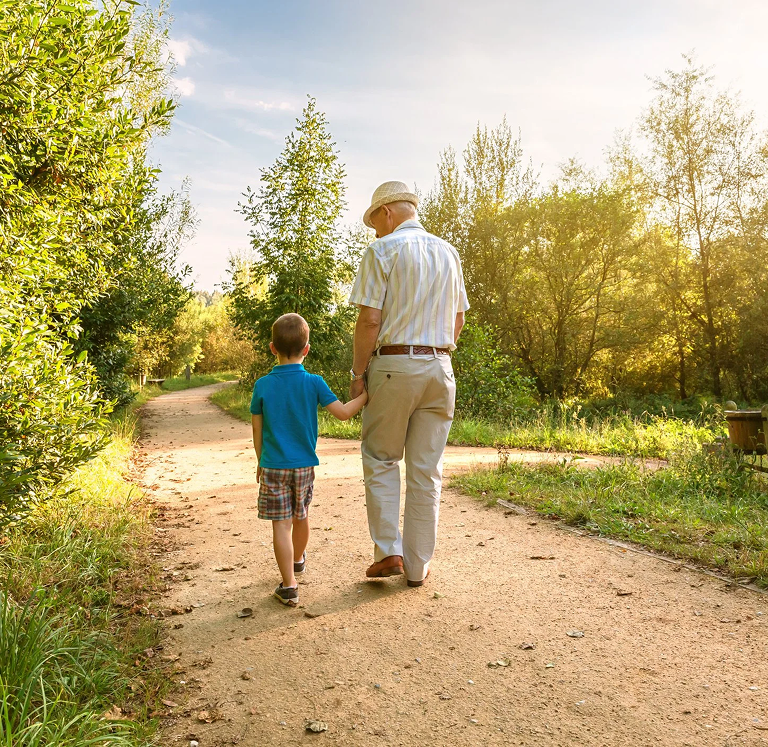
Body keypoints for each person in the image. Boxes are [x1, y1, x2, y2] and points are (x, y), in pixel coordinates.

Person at [348, 180, 469, 587]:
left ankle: (388, 553)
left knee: (382, 458)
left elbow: (369, 319)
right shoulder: (449, 253)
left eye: (375, 222)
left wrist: (357, 374)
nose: (375, 231)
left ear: (387, 213)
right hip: (441, 367)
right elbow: (458, 321)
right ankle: (418, 567)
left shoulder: (382, 250)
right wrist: (437, 351)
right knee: (426, 469)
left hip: (394, 366)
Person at [251, 313, 367, 606]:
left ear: (272, 348)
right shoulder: (314, 382)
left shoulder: (262, 385)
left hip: (274, 465)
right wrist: (366, 396)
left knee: (280, 524)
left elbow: (257, 428)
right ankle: (298, 559)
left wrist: (260, 460)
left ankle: (289, 585)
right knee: (300, 515)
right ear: (307, 349)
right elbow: (342, 413)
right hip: (304, 465)